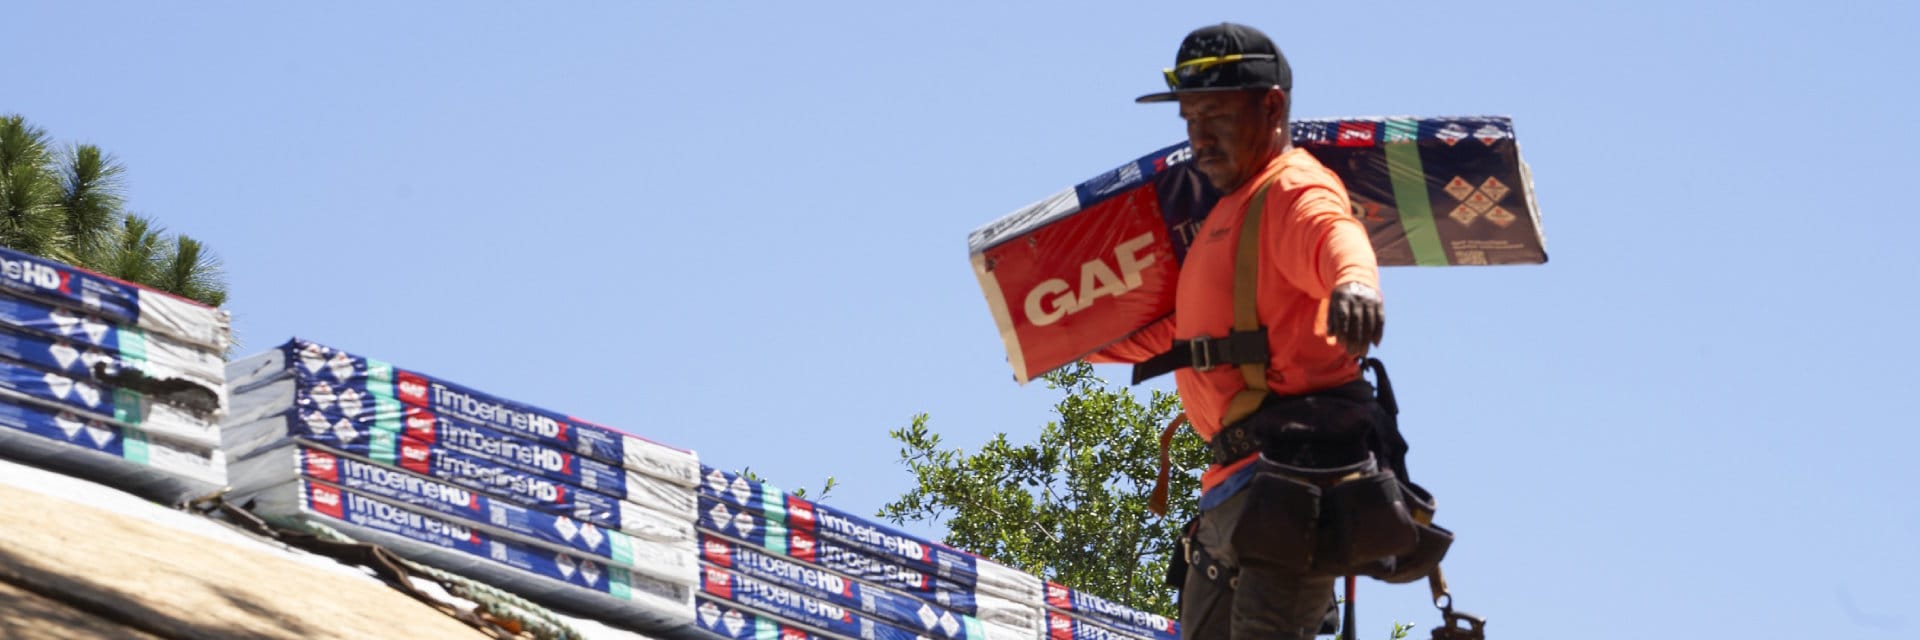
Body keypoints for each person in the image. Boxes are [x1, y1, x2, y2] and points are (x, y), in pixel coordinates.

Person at [1090, 22, 1388, 639]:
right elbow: (1186, 332)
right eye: (1191, 120)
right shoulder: (1230, 210)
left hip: (1290, 481)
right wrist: (1074, 343)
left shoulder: (1290, 188)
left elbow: (1337, 234)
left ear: (1272, 107)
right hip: (1234, 491)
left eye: (1217, 116)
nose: (1200, 138)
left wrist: (1355, 286)